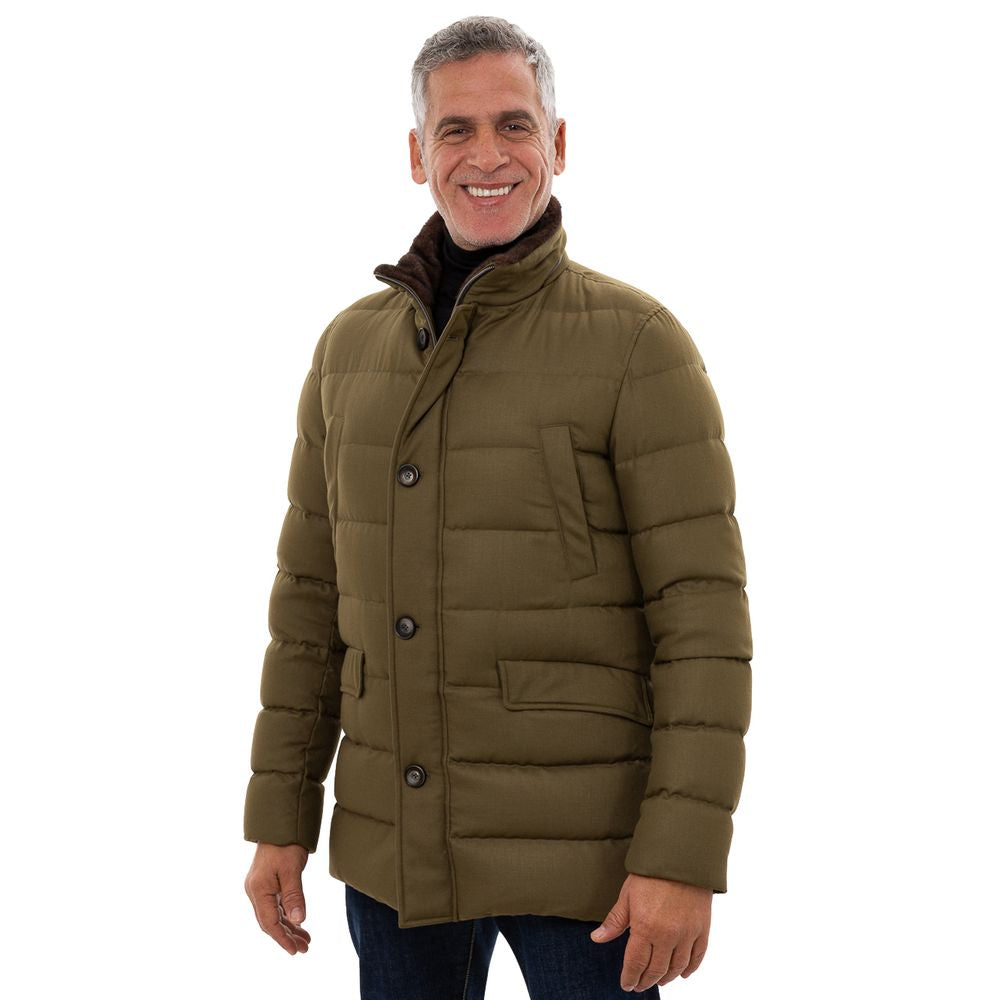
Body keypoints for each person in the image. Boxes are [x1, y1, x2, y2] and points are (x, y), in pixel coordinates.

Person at [243, 15, 753, 1000]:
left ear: (557, 142)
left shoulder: (636, 343)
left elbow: (703, 622)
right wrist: (280, 818)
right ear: (416, 154)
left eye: (514, 126)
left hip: (587, 864)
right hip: (393, 852)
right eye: (456, 130)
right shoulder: (349, 351)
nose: (486, 156)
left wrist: (682, 855)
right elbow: (307, 606)